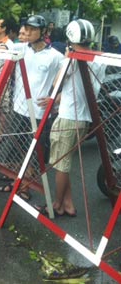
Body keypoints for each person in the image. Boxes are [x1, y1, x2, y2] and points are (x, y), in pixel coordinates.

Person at [0, 15, 64, 199]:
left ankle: (25, 188)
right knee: (18, 150)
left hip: (39, 113)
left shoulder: (56, 57)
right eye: (26, 28)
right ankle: (15, 182)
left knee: (33, 153)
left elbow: (68, 79)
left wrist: (55, 98)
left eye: (32, 29)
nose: (27, 32)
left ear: (43, 32)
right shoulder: (20, 48)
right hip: (19, 109)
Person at [39, 19, 106, 217]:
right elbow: (80, 88)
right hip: (84, 118)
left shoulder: (73, 58)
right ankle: (68, 203)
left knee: (61, 164)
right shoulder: (99, 58)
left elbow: (57, 83)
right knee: (65, 162)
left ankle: (58, 204)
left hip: (68, 116)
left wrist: (67, 59)